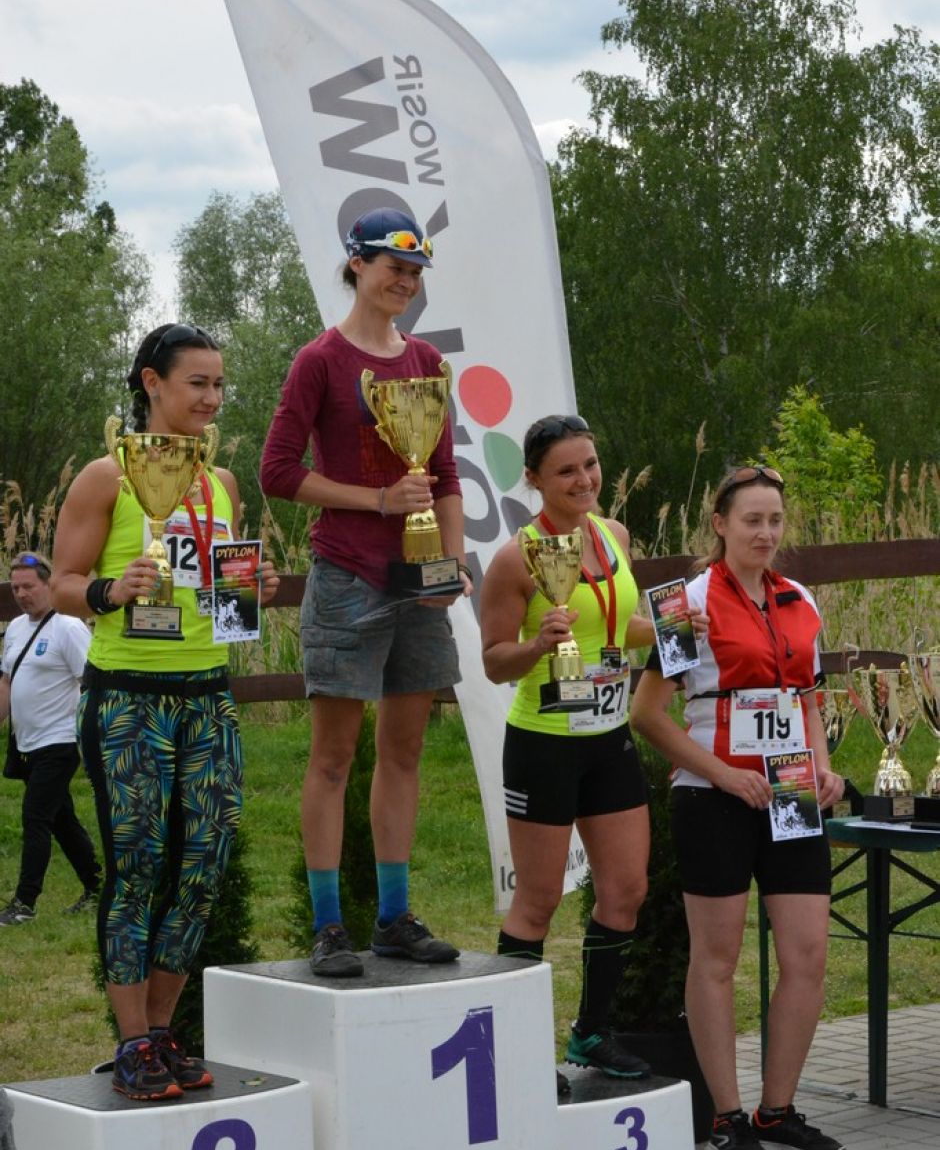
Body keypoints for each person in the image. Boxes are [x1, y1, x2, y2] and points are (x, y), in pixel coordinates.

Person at [50, 323, 278, 1101]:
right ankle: (132, 1040)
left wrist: (250, 589)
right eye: (197, 383)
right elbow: (61, 583)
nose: (212, 398)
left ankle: (159, 1029)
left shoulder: (222, 483)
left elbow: (220, 596)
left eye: (220, 385)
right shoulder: (104, 477)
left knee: (203, 866)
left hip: (206, 697)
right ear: (152, 383)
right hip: (127, 698)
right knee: (138, 864)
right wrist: (110, 590)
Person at [261, 207, 471, 978]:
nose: (405, 282)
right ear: (356, 263)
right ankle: (327, 925)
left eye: (414, 273)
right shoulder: (319, 360)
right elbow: (277, 471)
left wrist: (451, 563)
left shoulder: (426, 361)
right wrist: (375, 500)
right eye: (393, 267)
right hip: (347, 576)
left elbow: (444, 476)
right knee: (333, 756)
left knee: (405, 751)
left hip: (419, 587)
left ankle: (393, 917)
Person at [631, 463, 847, 1150]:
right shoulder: (686, 604)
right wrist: (722, 774)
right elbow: (646, 715)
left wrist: (823, 766)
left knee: (808, 954)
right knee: (717, 958)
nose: (765, 532)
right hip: (713, 793)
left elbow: (807, 699)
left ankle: (776, 1109)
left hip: (790, 793)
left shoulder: (799, 598)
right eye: (752, 520)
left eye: (775, 520)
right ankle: (727, 1116)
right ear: (720, 524)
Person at [480, 415, 704, 1094]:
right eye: (566, 471)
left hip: (607, 737)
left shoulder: (614, 535)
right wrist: (538, 645)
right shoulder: (515, 558)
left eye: (591, 464)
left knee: (626, 891)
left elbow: (614, 626)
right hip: (544, 744)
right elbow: (494, 661)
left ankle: (592, 1031)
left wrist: (668, 626)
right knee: (539, 901)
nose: (584, 480)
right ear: (534, 479)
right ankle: (516, 1053)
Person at [0, 551, 101, 925]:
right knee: (61, 819)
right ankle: (96, 885)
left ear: (49, 585)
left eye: (29, 586)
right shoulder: (16, 628)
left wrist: (92, 734)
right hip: (26, 742)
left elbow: (91, 682)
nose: (22, 595)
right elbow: (7, 681)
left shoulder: (69, 628)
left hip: (59, 741)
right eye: (16, 588)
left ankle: (24, 904)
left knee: (35, 816)